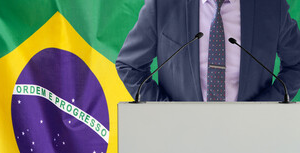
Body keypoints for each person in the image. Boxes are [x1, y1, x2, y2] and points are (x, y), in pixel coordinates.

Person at [116, 0, 300, 101]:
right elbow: (130, 65)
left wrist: (266, 107)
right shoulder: (163, 4)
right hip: (178, 135)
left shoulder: (271, 6)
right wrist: (165, 110)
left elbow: (296, 64)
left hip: (250, 135)